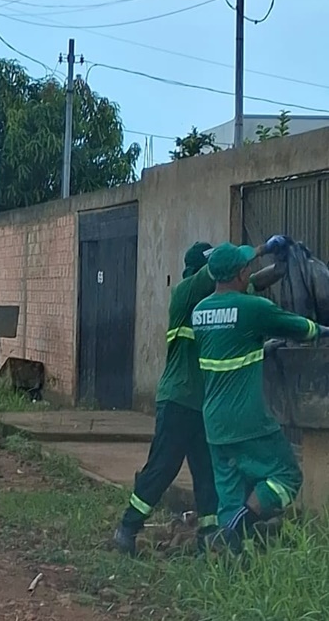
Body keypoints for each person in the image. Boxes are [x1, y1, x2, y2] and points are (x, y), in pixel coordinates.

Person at [113, 238, 288, 556]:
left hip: (205, 405)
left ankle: (208, 537)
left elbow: (252, 284)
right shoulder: (186, 296)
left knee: (207, 473)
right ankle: (128, 526)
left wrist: (283, 266)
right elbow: (219, 274)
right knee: (163, 467)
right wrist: (261, 249)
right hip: (179, 400)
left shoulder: (219, 303)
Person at [193, 242, 329, 553]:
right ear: (242, 274)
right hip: (248, 419)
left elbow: (231, 341)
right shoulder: (253, 308)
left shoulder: (199, 312)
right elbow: (303, 329)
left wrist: (266, 251)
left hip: (214, 421)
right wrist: (322, 330)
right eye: (246, 268)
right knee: (286, 476)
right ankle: (238, 527)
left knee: (230, 492)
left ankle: (228, 556)